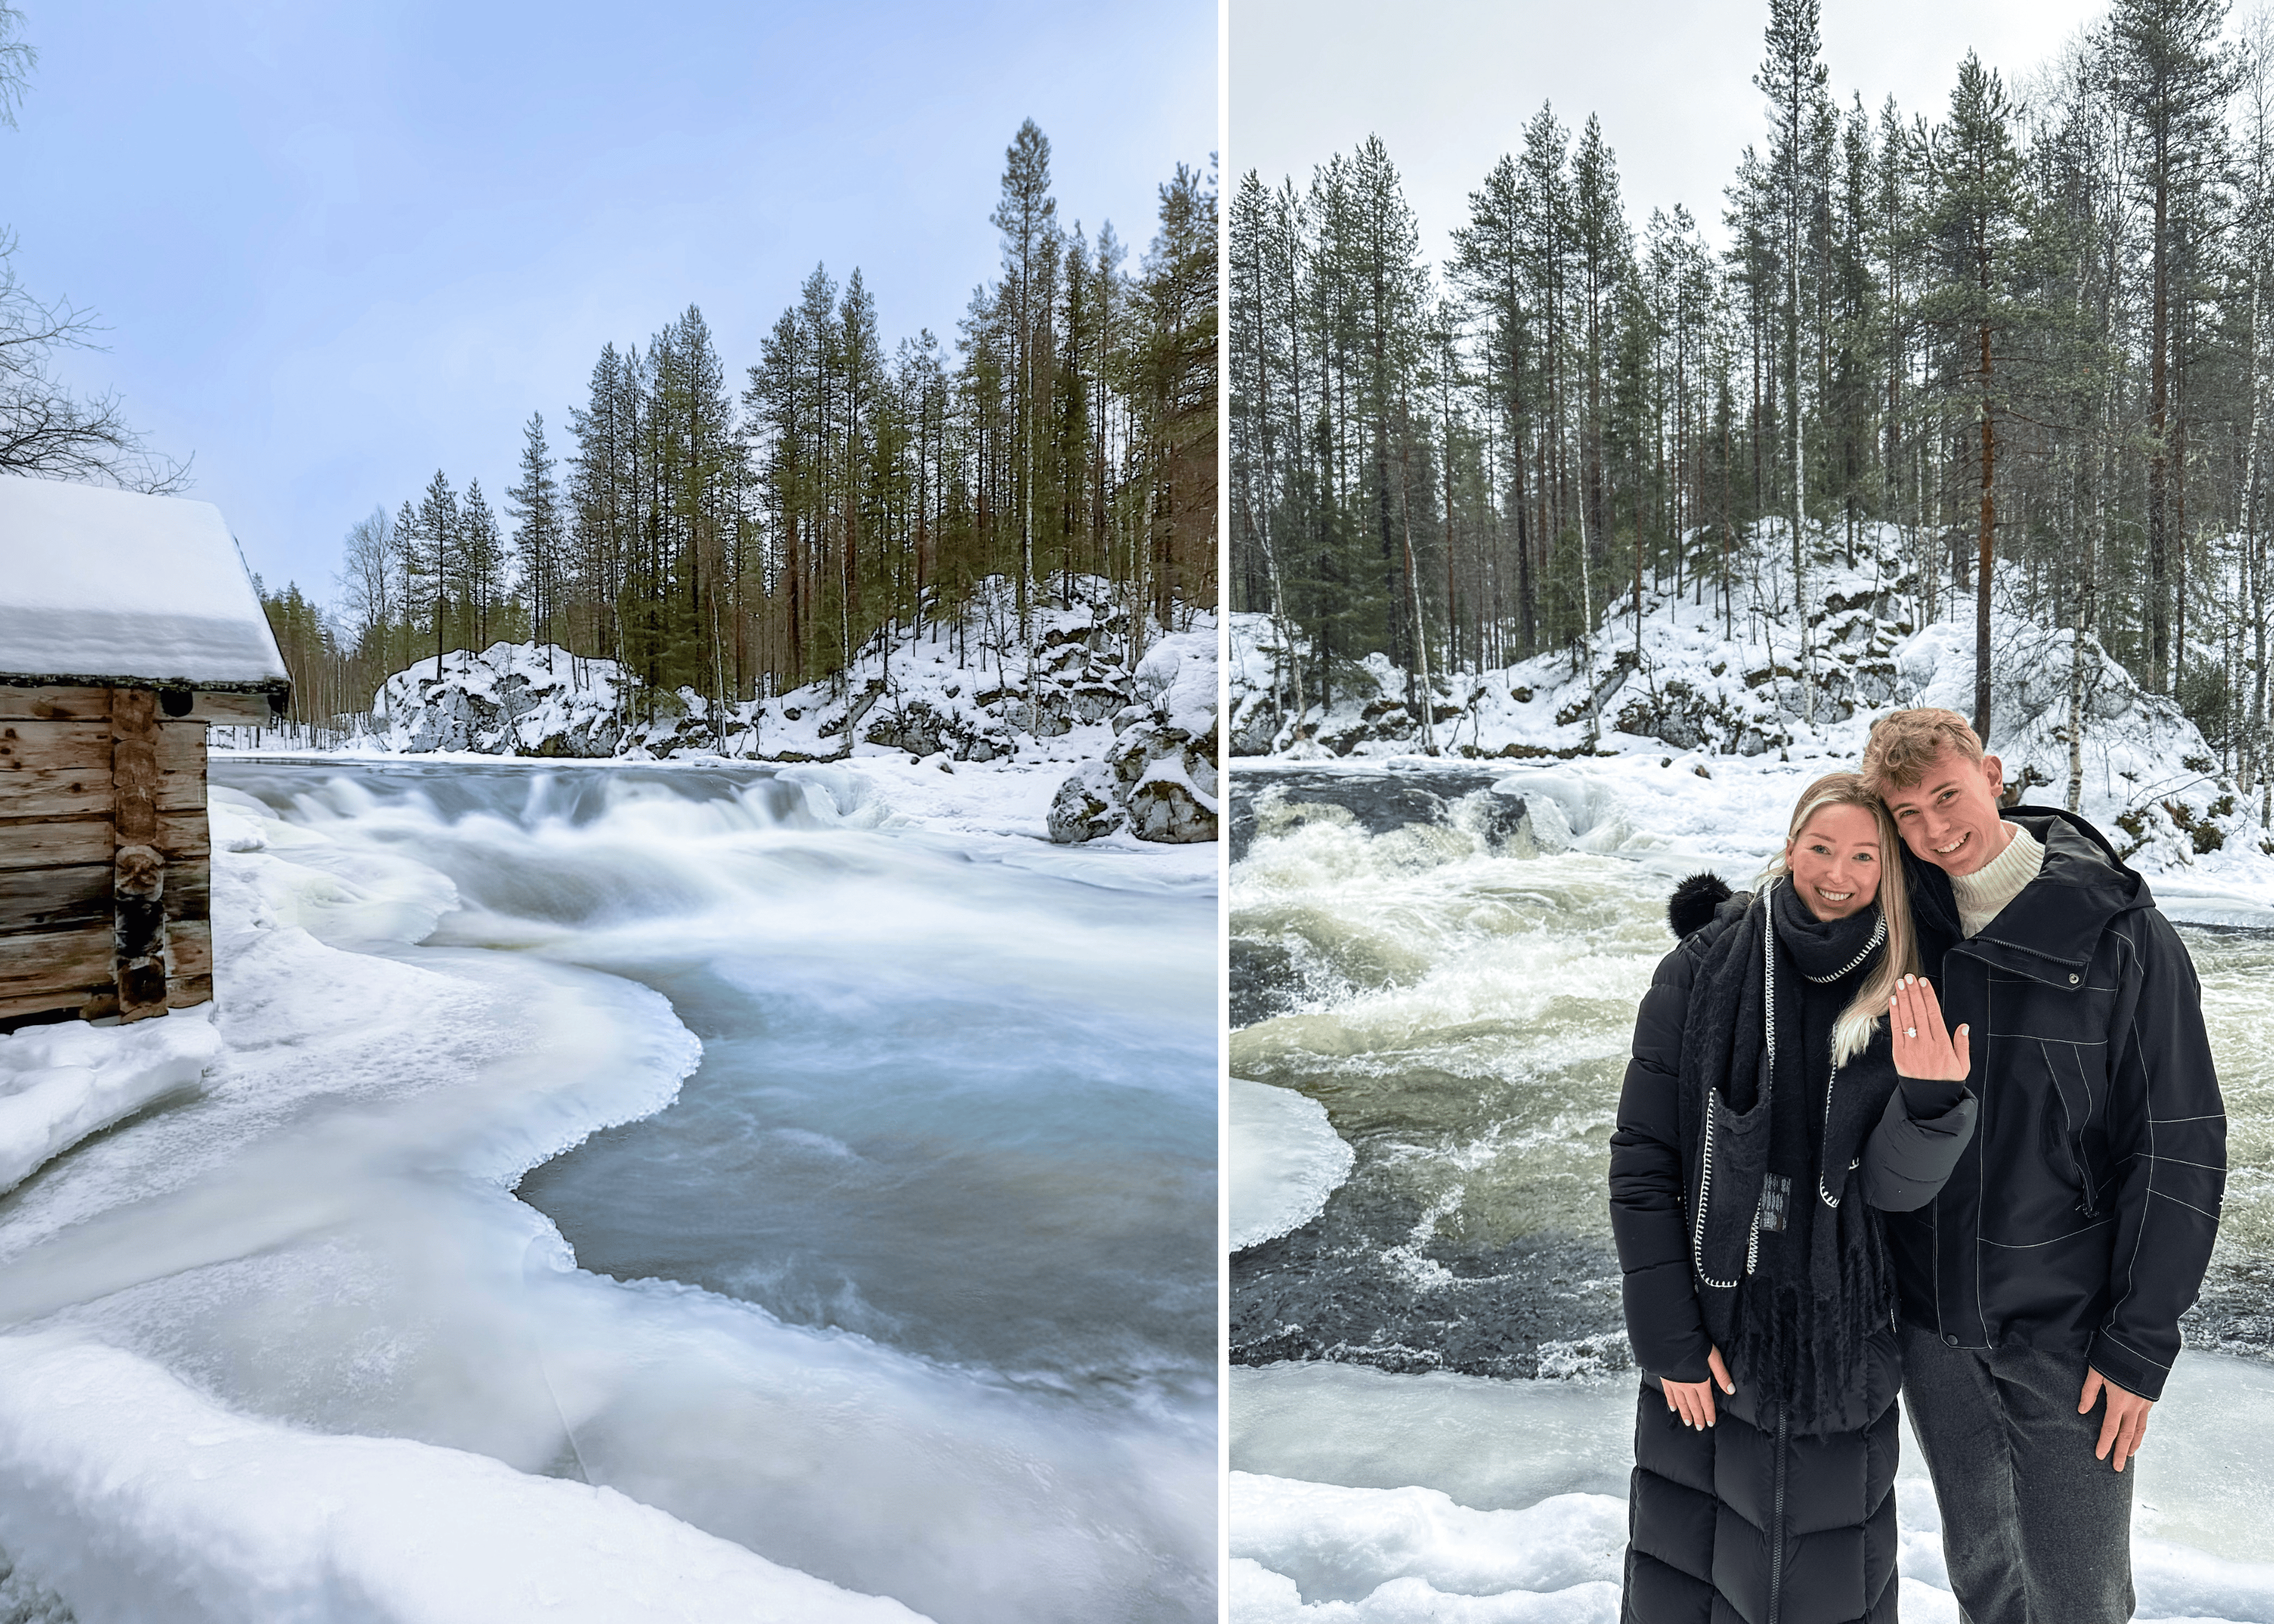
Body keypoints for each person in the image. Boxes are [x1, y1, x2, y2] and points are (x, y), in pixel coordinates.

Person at [1859, 708, 2227, 1624]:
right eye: (1907, 814)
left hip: (2067, 1330)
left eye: (1948, 795)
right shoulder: (1904, 920)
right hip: (1933, 1324)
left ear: (1993, 774)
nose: (1936, 828)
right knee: (1984, 1577)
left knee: (2079, 1596)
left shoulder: (2123, 935)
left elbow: (2180, 1144)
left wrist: (2142, 1340)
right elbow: (1792, 913)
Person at [1610, 772, 1980, 1623]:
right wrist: (1669, 1340)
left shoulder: (1909, 984)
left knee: (1830, 1592)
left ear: (1890, 868)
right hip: (1713, 1329)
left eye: (1863, 856)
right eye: (1821, 849)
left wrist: (1932, 1104)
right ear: (1789, 849)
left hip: (1844, 1340)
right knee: (1688, 1581)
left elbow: (1893, 1192)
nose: (1839, 875)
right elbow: (1643, 1163)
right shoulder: (1701, 968)